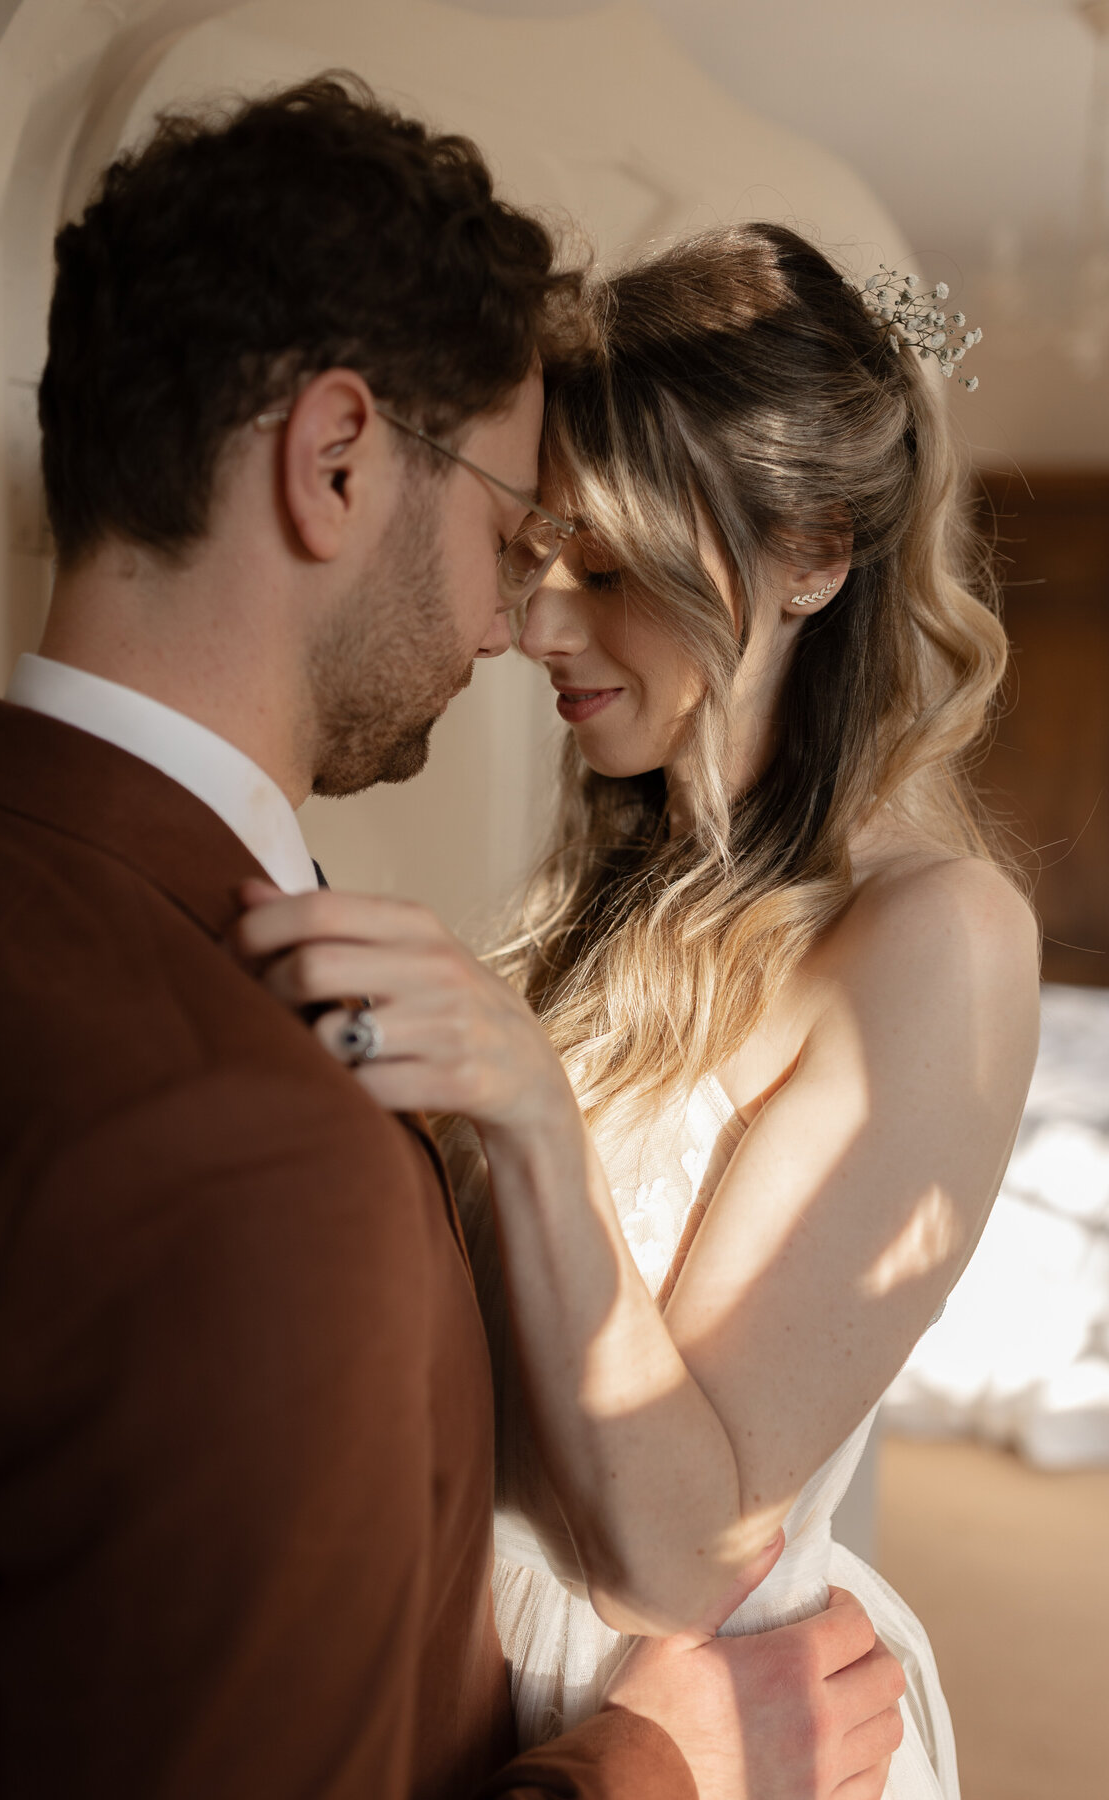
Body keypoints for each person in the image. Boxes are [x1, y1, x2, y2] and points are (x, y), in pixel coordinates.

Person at [0, 83, 905, 1800]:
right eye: (515, 526)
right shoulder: (239, 1150)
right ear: (339, 461)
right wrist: (650, 1769)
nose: (513, 620)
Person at [236, 225, 1041, 1799]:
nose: (536, 626)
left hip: (707, 1731)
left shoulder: (935, 943)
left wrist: (526, 1107)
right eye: (538, 555)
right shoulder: (604, 900)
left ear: (813, 554)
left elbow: (680, 1563)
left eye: (605, 571)